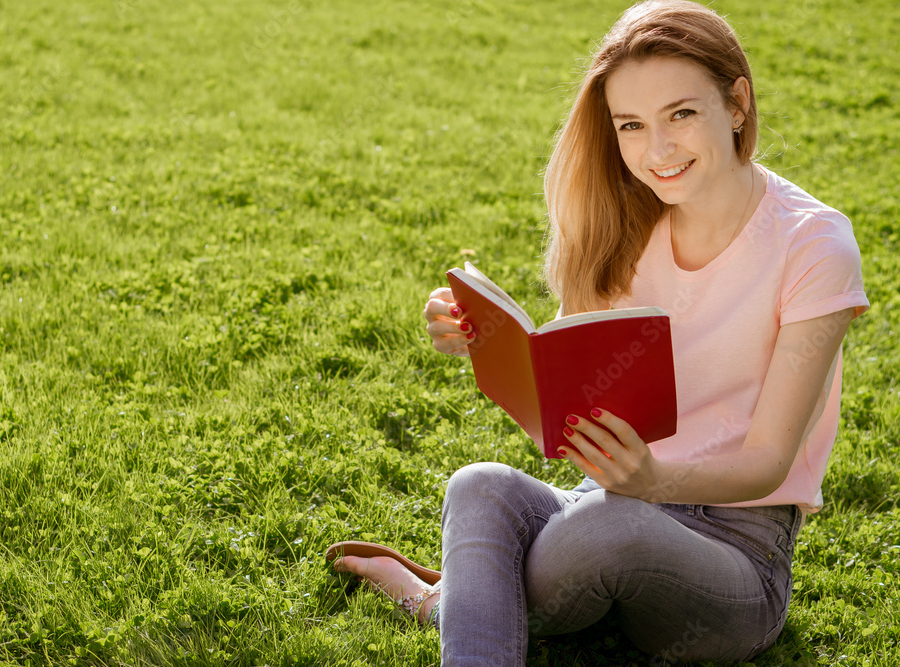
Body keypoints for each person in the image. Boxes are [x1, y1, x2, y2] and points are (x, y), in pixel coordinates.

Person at [326, 0, 870, 663]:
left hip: (735, 553)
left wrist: (653, 481)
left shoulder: (815, 244)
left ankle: (452, 597)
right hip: (603, 502)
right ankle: (472, 615)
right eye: (632, 125)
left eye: (682, 114)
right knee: (477, 483)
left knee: (608, 526)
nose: (659, 150)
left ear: (737, 103)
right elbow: (563, 392)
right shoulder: (629, 222)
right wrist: (482, 335)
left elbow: (769, 460)